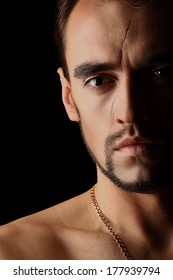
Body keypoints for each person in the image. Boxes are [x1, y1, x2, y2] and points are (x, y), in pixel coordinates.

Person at [0, 0, 173, 260]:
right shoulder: (15, 257)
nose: (129, 113)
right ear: (68, 97)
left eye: (160, 73)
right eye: (99, 80)